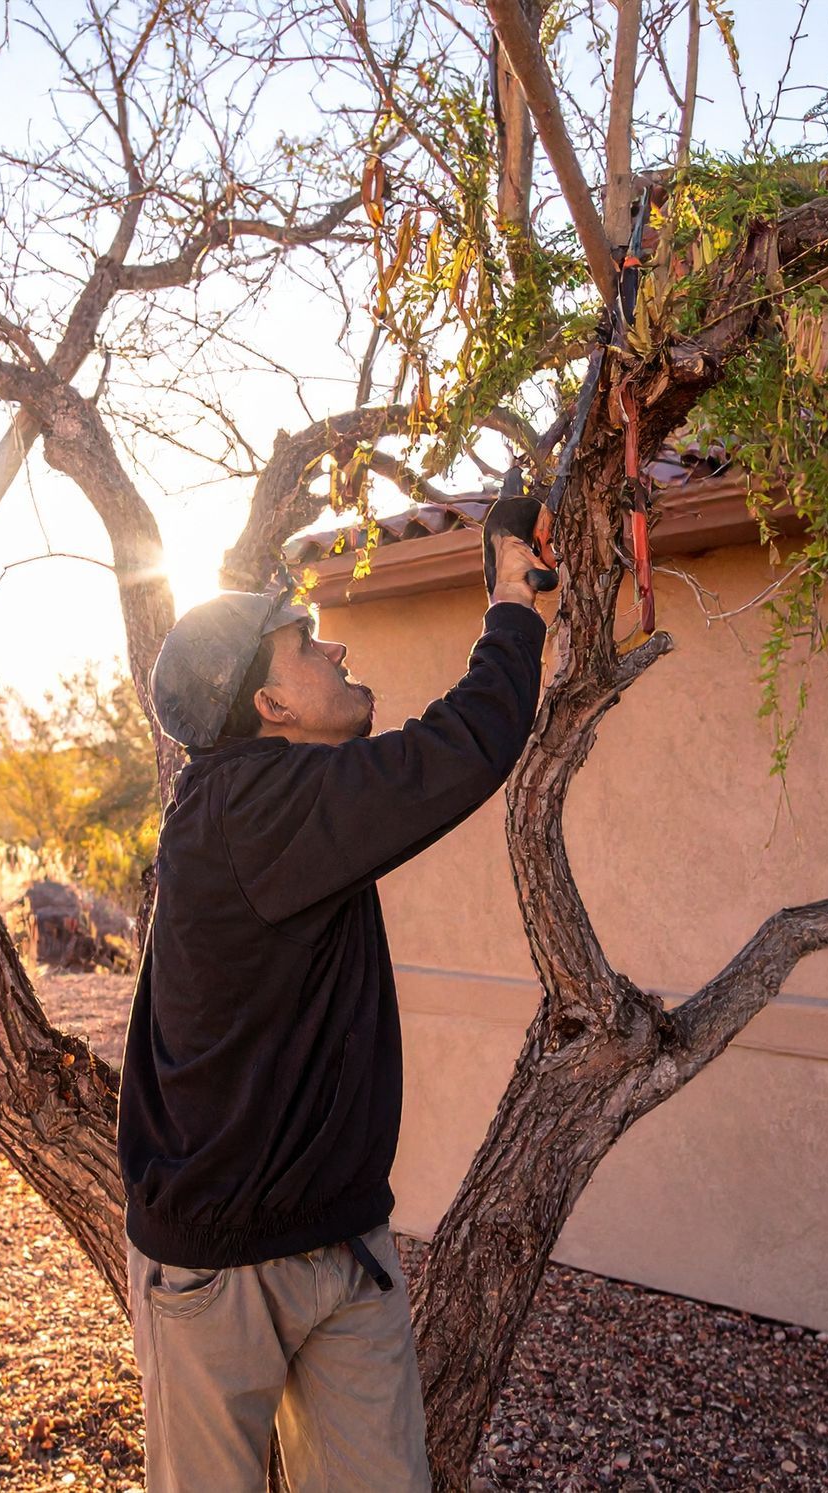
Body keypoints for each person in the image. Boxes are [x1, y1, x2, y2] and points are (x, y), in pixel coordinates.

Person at [117, 528, 547, 1491]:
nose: (336, 648)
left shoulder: (280, 798)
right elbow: (460, 750)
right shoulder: (249, 809)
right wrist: (513, 609)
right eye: (306, 645)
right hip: (219, 1273)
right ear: (269, 705)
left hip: (340, 1244)